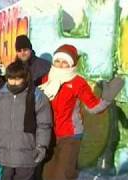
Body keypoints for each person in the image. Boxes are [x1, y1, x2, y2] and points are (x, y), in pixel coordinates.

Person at [40, 44, 124, 180]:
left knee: (62, 174)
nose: (60, 65)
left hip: (70, 134)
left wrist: (107, 98)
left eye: (65, 62)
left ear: (72, 64)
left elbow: (93, 106)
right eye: (57, 61)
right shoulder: (46, 79)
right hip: (48, 133)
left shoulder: (78, 82)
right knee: (47, 173)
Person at [0, 61, 52, 180]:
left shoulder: (36, 96)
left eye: (18, 79)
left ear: (25, 78)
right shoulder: (0, 96)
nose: (14, 83)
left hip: (27, 154)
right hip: (5, 155)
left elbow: (44, 125)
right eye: (11, 79)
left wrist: (41, 146)